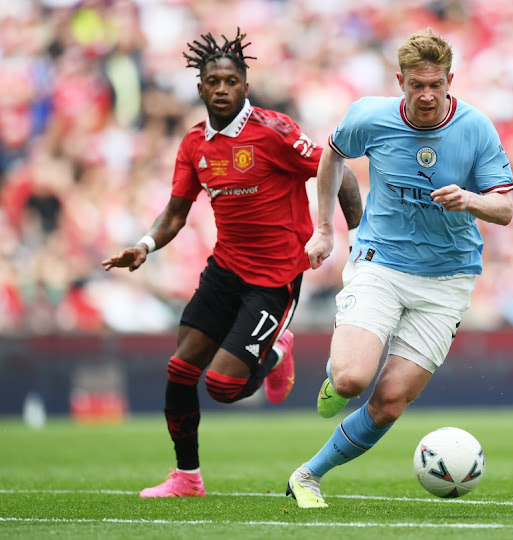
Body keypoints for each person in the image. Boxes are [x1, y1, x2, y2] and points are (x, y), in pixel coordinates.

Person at [102, 29, 362, 498]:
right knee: (180, 370)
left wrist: (358, 235)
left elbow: (335, 166)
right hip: (224, 271)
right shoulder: (194, 145)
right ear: (200, 88)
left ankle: (279, 349)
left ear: (245, 85)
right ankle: (186, 478)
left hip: (274, 280)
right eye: (213, 81)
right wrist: (144, 244)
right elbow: (176, 213)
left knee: (223, 387)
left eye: (231, 80)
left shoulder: (274, 131)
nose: (222, 88)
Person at [285, 28, 513, 508]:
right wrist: (324, 229)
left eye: (436, 84)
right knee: (350, 381)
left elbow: (505, 208)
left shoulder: (476, 128)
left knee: (389, 402)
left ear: (450, 80)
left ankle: (307, 476)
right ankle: (336, 373)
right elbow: (333, 154)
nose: (427, 95)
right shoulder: (369, 116)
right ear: (401, 81)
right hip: (381, 263)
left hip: (449, 279)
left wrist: (471, 200)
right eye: (417, 85)